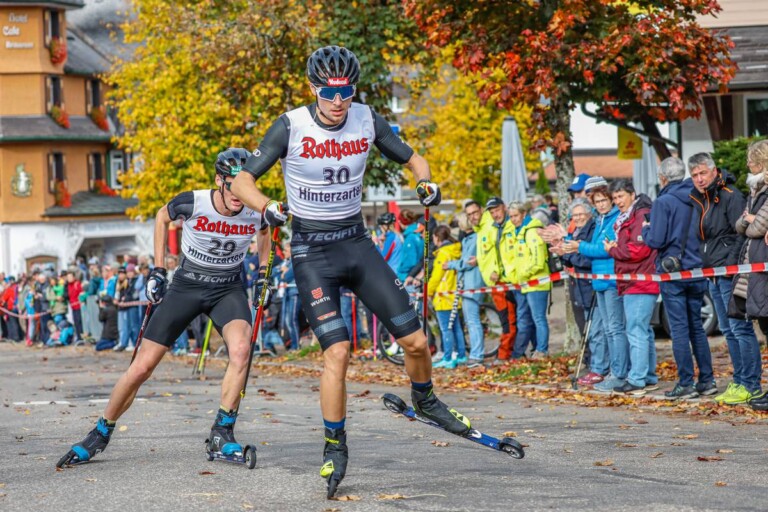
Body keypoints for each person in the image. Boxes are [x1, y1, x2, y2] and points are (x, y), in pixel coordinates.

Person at [231, 45, 472, 497]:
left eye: (346, 91)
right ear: (313, 89)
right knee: (338, 352)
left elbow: (414, 159)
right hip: (311, 251)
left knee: (417, 341)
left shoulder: (366, 119)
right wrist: (267, 207)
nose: (338, 101)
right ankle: (334, 445)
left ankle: (425, 399)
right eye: (328, 92)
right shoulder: (291, 125)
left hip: (355, 244)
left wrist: (426, 181)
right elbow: (244, 180)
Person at [57, 147, 272, 468]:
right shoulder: (195, 201)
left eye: (244, 184)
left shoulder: (256, 207)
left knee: (242, 350)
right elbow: (161, 216)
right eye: (232, 184)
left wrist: (263, 275)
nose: (239, 194)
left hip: (227, 287)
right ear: (219, 181)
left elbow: (266, 230)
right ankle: (101, 431)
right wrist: (158, 270)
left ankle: (222, 432)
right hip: (188, 286)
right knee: (142, 367)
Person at [689, 152, 762, 406]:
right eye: (695, 175)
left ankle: (751, 384)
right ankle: (739, 380)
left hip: (728, 272)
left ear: (714, 170)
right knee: (729, 331)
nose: (699, 179)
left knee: (740, 329)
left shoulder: (730, 196)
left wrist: (729, 266)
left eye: (702, 173)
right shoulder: (701, 199)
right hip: (713, 272)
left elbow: (739, 234)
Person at [642, 157, 715, 399]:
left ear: (663, 178)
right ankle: (707, 380)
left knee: (680, 329)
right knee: (697, 327)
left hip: (673, 271)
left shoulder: (663, 201)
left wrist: (645, 230)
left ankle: (686, 383)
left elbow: (656, 240)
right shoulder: (698, 195)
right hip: (697, 268)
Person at [563, 176, 627, 393]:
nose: (601, 204)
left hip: (610, 278)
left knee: (615, 329)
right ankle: (611, 370)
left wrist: (579, 247)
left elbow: (602, 249)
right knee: (608, 329)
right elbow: (596, 247)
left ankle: (618, 372)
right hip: (598, 280)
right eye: (597, 201)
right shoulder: (601, 219)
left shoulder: (613, 219)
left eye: (603, 200)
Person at [605, 180, 659, 395]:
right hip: (633, 280)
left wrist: (614, 250)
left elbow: (639, 249)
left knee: (635, 330)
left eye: (621, 196)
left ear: (632, 194)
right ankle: (648, 375)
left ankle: (637, 379)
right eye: (615, 198)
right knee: (643, 330)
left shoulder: (640, 214)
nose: (617, 202)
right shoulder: (629, 216)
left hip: (640, 280)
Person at [554, 199, 608, 385]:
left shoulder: (591, 230)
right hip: (581, 289)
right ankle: (595, 365)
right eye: (574, 215)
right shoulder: (575, 232)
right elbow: (571, 260)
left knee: (597, 330)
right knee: (590, 330)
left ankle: (599, 367)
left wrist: (568, 254)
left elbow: (587, 260)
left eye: (580, 215)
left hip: (592, 286)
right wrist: (564, 255)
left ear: (588, 214)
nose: (577, 218)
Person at [739, 140, 768, 410]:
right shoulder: (754, 190)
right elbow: (742, 222)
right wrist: (748, 221)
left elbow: (757, 225)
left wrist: (750, 221)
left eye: (751, 159)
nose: (747, 164)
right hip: (758, 271)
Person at [475, 196, 517, 363]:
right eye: (492, 212)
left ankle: (506, 353)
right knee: (506, 319)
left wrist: (498, 271)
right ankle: (506, 353)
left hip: (509, 280)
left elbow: (506, 255)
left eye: (497, 210)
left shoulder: (509, 225)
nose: (495, 214)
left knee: (511, 319)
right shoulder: (490, 228)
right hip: (497, 282)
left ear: (504, 208)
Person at [446, 207, 485, 368]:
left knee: (473, 321)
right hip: (467, 284)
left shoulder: (474, 239)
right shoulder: (467, 239)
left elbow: (467, 263)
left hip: (472, 283)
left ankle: (477, 354)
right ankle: (476, 353)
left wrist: (451, 265)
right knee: (471, 321)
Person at [428, 224, 466, 368]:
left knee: (446, 329)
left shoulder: (442, 254)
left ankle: (448, 357)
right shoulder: (455, 251)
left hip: (443, 297)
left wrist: (428, 292)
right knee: (456, 327)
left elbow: (436, 277)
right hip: (454, 296)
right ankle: (461, 355)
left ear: (437, 238)